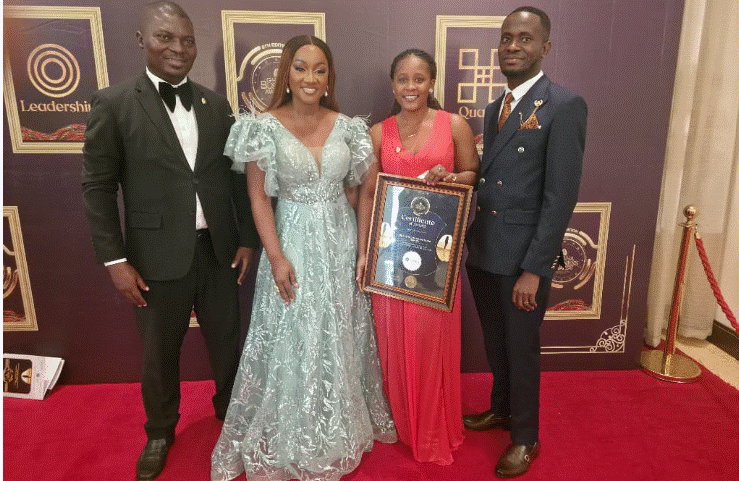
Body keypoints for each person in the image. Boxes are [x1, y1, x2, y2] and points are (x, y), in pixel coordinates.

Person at [81, 2, 258, 480]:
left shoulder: (215, 104)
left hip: (218, 251)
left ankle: (231, 415)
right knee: (159, 353)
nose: (178, 48)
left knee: (227, 341)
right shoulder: (114, 103)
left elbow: (235, 178)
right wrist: (114, 260)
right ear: (141, 40)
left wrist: (246, 239)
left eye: (187, 40)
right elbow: (98, 186)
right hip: (154, 257)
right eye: (165, 37)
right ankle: (160, 431)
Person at [210, 35, 396, 481]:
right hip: (291, 239)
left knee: (338, 328)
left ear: (329, 77)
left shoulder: (349, 127)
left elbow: (361, 192)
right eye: (300, 67)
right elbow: (258, 197)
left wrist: (364, 249)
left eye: (319, 69)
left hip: (340, 240)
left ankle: (336, 420)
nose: (310, 77)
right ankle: (295, 425)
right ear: (286, 74)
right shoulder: (262, 127)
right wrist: (275, 256)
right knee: (293, 330)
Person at [464, 6, 587, 478]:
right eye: (506, 38)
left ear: (545, 47)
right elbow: (493, 178)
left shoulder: (564, 105)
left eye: (524, 38)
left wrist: (535, 268)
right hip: (486, 250)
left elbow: (560, 197)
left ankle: (525, 437)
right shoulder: (496, 107)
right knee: (496, 345)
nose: (512, 46)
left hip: (522, 261)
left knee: (521, 349)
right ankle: (501, 409)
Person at [357, 49, 479, 465]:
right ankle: (401, 423)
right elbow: (368, 195)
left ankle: (430, 428)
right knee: (392, 342)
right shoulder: (378, 133)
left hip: (437, 261)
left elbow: (473, 175)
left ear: (432, 83)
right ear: (393, 84)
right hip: (389, 258)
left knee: (430, 342)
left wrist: (452, 177)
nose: (411, 87)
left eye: (419, 79)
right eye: (403, 79)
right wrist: (364, 253)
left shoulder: (454, 125)